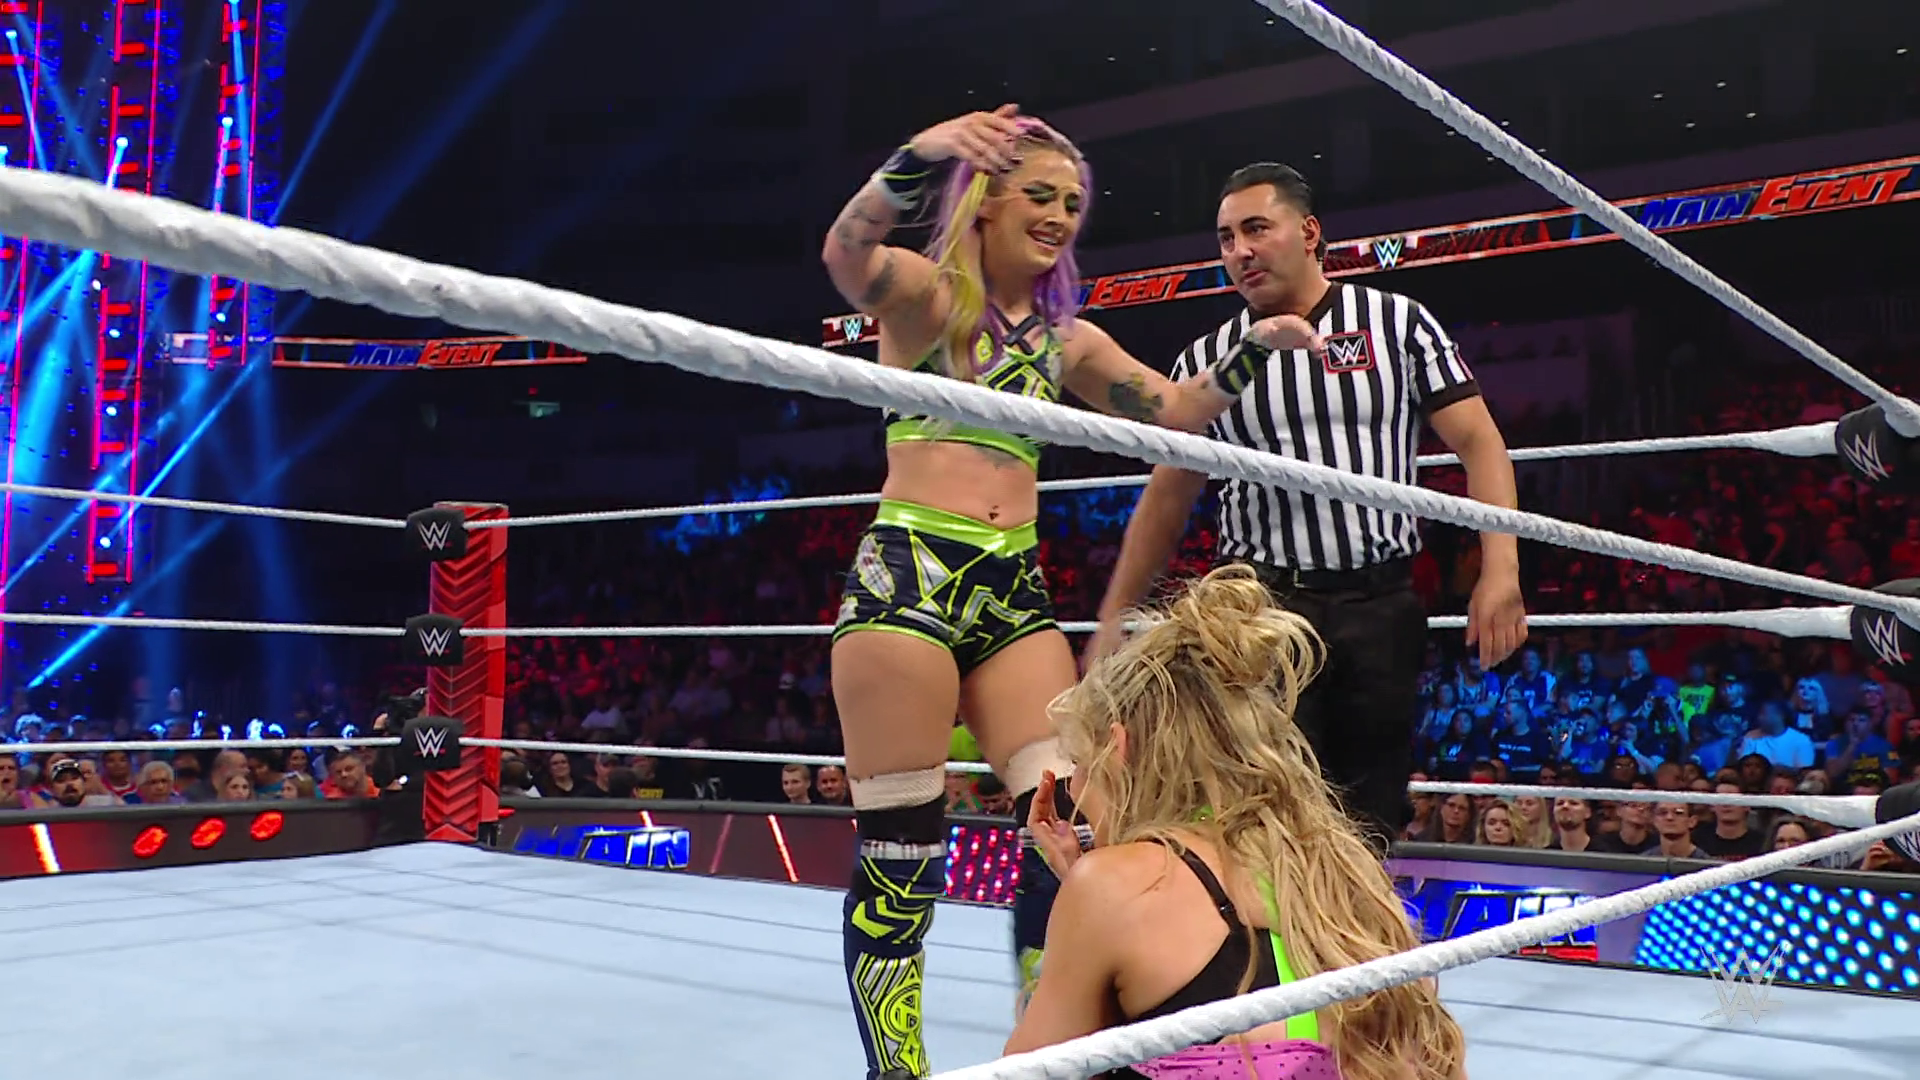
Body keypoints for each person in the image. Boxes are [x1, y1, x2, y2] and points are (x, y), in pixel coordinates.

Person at [820, 107, 1323, 1080]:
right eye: (1039, 195)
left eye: (1072, 203)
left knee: (1082, 828)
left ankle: (1070, 1039)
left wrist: (1260, 345)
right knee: (903, 855)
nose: (1058, 215)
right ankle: (897, 1071)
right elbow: (847, 253)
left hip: (1011, 589)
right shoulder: (927, 299)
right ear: (985, 201)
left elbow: (1174, 409)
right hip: (909, 578)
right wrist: (919, 155)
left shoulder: (1066, 339)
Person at [1089, 161, 1528, 846]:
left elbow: (1480, 442)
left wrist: (1501, 568)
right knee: (1261, 807)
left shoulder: (1396, 323)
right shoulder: (1209, 360)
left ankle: (1359, 918)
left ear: (1310, 232)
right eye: (1227, 238)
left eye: (1256, 229)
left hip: (1377, 603)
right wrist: (1115, 613)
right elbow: (1168, 496)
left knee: (1369, 810)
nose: (1240, 251)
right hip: (1257, 609)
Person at [1011, 565, 1467, 1080]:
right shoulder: (1343, 872)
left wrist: (1082, 898)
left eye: (1078, 764)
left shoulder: (1111, 888)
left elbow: (1026, 1072)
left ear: (1117, 750)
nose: (1073, 790)